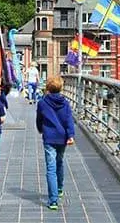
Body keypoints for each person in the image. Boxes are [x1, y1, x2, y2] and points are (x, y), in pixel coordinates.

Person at [36, 75, 75, 210]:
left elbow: (39, 119)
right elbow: (69, 120)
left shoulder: (42, 102)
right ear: (61, 88)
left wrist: (41, 129)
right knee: (60, 161)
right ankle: (59, 188)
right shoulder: (65, 103)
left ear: (47, 88)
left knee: (50, 168)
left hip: (49, 137)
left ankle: (53, 201)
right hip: (62, 137)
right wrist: (70, 135)